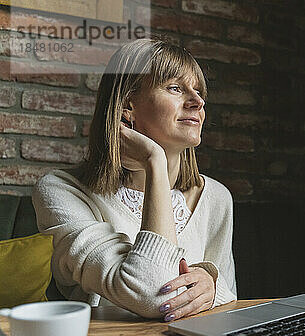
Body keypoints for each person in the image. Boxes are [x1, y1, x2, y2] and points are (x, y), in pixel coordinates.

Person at [32, 38, 237, 321]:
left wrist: (213, 287)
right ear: (127, 105)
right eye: (175, 88)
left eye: (199, 91)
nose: (198, 102)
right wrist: (155, 162)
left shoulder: (216, 198)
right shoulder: (61, 190)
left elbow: (233, 301)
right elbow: (152, 295)